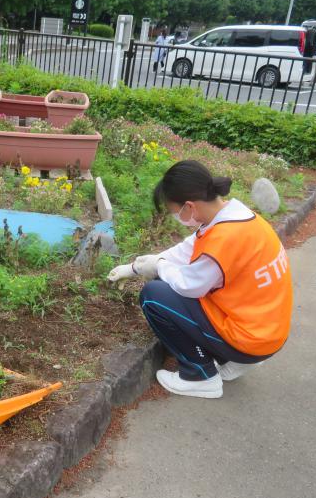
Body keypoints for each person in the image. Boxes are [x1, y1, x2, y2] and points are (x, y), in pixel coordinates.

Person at [107, 160, 293, 399]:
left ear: (189, 207)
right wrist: (134, 267)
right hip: (269, 332)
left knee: (154, 295)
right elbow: (185, 251)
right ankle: (236, 360)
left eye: (174, 212)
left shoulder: (224, 238)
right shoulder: (238, 218)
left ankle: (200, 375)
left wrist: (159, 267)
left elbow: (189, 286)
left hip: (250, 339)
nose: (176, 217)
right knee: (170, 278)